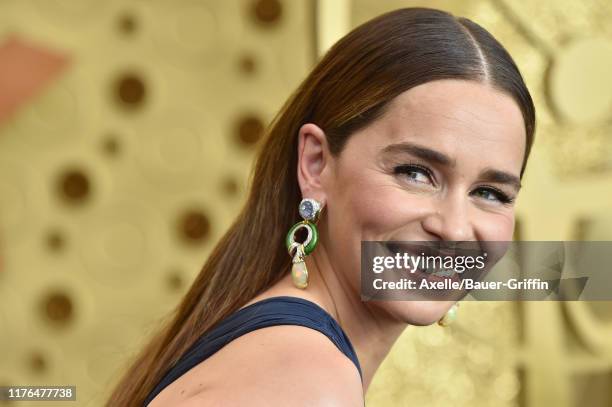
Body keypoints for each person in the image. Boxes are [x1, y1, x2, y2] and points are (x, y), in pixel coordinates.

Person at [107, 6, 536, 406]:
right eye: (415, 172)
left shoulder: (286, 353)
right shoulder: (306, 378)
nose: (456, 230)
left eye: (490, 193)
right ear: (316, 164)